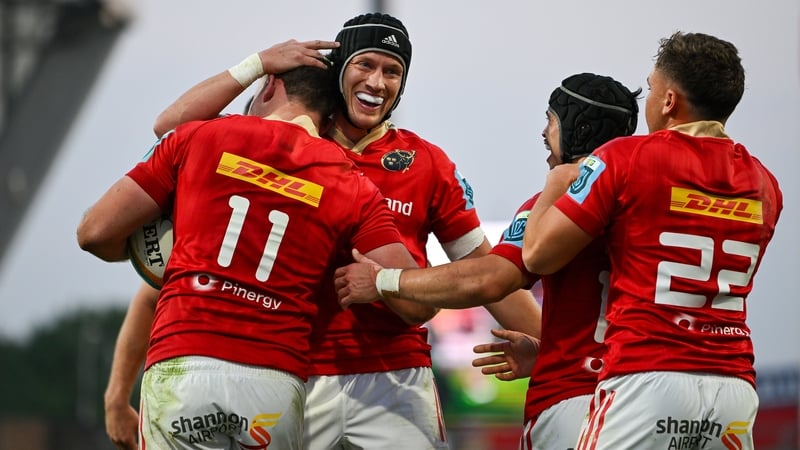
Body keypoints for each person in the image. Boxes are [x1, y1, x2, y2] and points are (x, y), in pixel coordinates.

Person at [105, 12, 542, 450]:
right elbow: (171, 133)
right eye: (365, 64)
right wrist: (116, 395)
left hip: (395, 375)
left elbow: (488, 275)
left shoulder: (427, 163)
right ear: (339, 70)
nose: (378, 81)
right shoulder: (277, 147)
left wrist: (554, 349)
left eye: (393, 72)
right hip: (296, 376)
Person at [78, 63, 422, 449]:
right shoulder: (352, 183)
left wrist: (145, 256)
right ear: (328, 117)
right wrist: (378, 281)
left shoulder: (199, 136)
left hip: (183, 360)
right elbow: (415, 302)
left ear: (269, 86)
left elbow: (94, 233)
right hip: (273, 379)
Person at [334, 72, 640, 449]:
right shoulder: (654, 205)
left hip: (576, 403)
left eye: (551, 120)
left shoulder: (552, 210)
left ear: (577, 127)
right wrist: (550, 353)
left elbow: (487, 279)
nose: (544, 134)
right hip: (656, 394)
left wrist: (384, 281)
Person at [521, 32, 782, 449]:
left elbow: (537, 255)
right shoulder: (765, 184)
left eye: (652, 86)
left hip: (646, 378)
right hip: (734, 388)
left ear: (668, 101)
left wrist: (556, 183)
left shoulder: (628, 157)